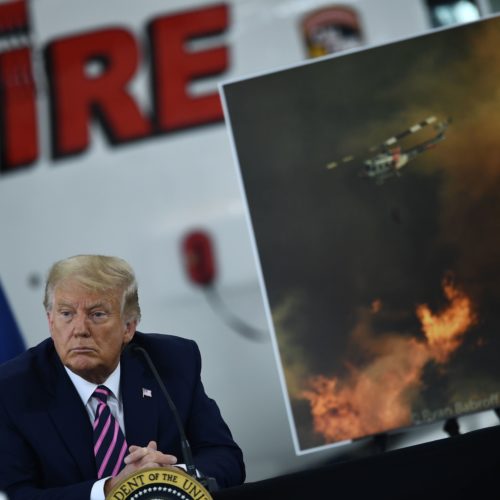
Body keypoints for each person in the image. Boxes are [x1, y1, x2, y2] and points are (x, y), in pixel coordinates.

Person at [0, 255, 245, 499]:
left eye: (97, 314)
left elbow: (225, 457)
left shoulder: (172, 361)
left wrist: (167, 477)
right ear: (50, 321)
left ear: (128, 327)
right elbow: (15, 494)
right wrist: (110, 489)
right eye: (66, 314)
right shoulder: (12, 388)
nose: (80, 329)